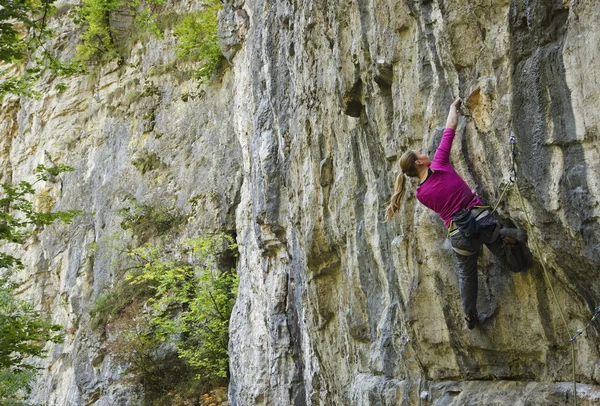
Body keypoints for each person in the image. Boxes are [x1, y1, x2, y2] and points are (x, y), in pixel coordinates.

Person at [386, 98, 530, 329]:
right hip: (483, 223)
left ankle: (470, 316)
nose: (425, 153)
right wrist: (452, 107)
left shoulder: (422, 194)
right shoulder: (440, 164)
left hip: (460, 235)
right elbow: (450, 129)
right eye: (421, 152)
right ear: (421, 161)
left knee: (467, 276)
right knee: (513, 262)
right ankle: (508, 236)